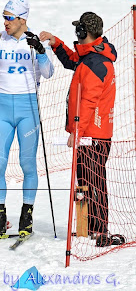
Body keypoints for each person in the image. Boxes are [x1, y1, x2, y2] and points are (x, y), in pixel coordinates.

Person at [39, 12, 124, 247]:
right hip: (90, 133)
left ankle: (101, 229)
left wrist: (77, 130)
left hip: (93, 134)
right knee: (84, 180)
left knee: (94, 181)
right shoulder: (91, 56)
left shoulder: (96, 63)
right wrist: (56, 43)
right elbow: (71, 59)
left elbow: (88, 101)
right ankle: (86, 227)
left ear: (82, 32)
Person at [0, 0, 55, 239]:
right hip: (2, 106)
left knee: (27, 164)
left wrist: (41, 52)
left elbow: (48, 73)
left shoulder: (34, 41)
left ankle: (27, 214)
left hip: (28, 108)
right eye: (3, 17)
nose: (5, 22)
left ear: (23, 19)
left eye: (9, 17)